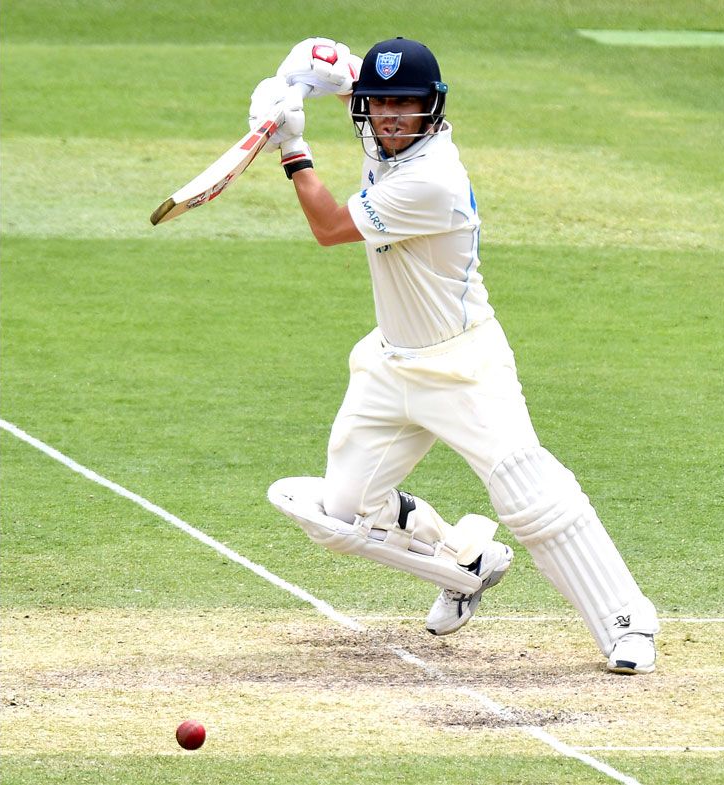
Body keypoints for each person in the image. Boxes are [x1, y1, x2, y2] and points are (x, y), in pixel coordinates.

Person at [254, 37, 657, 674]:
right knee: (337, 516)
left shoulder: (432, 179)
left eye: (404, 105)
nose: (388, 117)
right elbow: (361, 78)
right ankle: (464, 560)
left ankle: (628, 622)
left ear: (432, 111)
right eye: (376, 105)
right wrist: (304, 77)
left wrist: (290, 146)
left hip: (464, 367)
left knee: (533, 500)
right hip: (389, 366)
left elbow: (330, 227)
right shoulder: (389, 138)